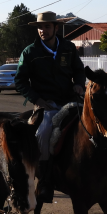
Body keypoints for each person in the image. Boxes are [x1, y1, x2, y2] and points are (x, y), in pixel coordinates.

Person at [15, 11, 85, 203]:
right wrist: (36, 99)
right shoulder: (30, 52)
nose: (42, 30)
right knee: (44, 132)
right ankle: (45, 180)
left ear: (56, 27)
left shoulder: (69, 48)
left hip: (72, 100)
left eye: (46, 26)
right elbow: (20, 81)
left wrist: (79, 83)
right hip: (47, 105)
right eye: (40, 27)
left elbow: (79, 71)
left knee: (96, 122)